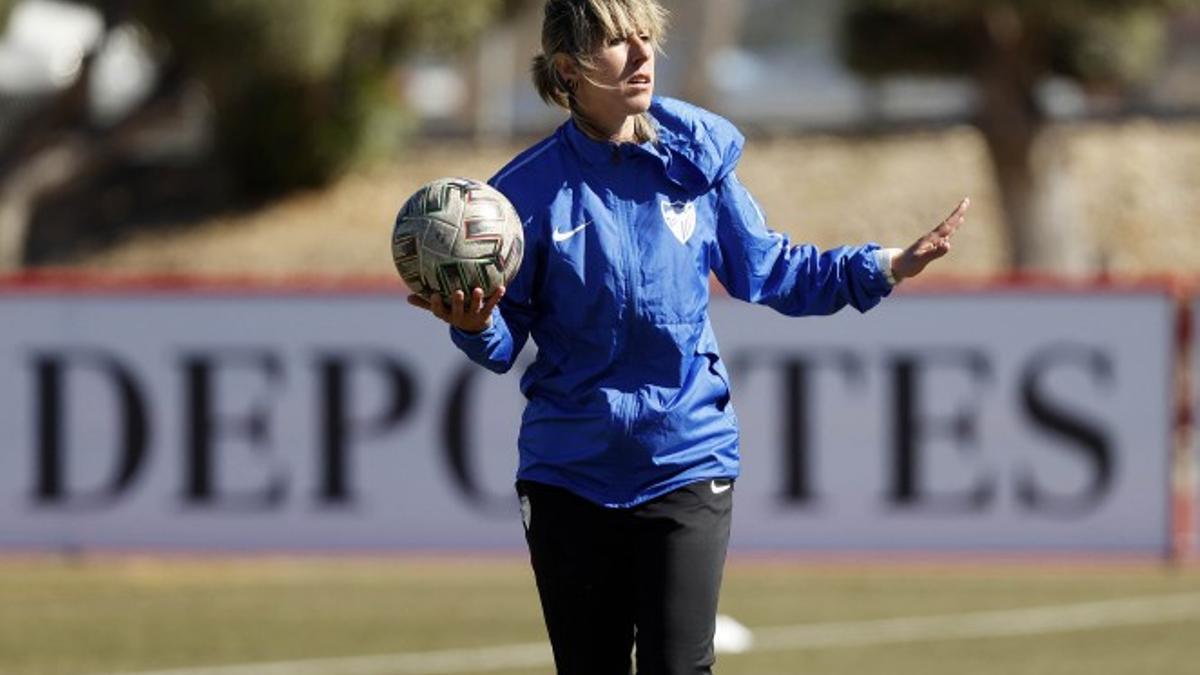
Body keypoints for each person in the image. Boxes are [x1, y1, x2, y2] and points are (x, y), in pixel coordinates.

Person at [407, 0, 970, 672]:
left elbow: (772, 270)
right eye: (619, 42)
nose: (642, 56)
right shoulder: (520, 197)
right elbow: (502, 344)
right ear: (568, 69)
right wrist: (474, 327)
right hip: (568, 474)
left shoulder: (697, 163)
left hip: (686, 459)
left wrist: (882, 266)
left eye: (648, 38)